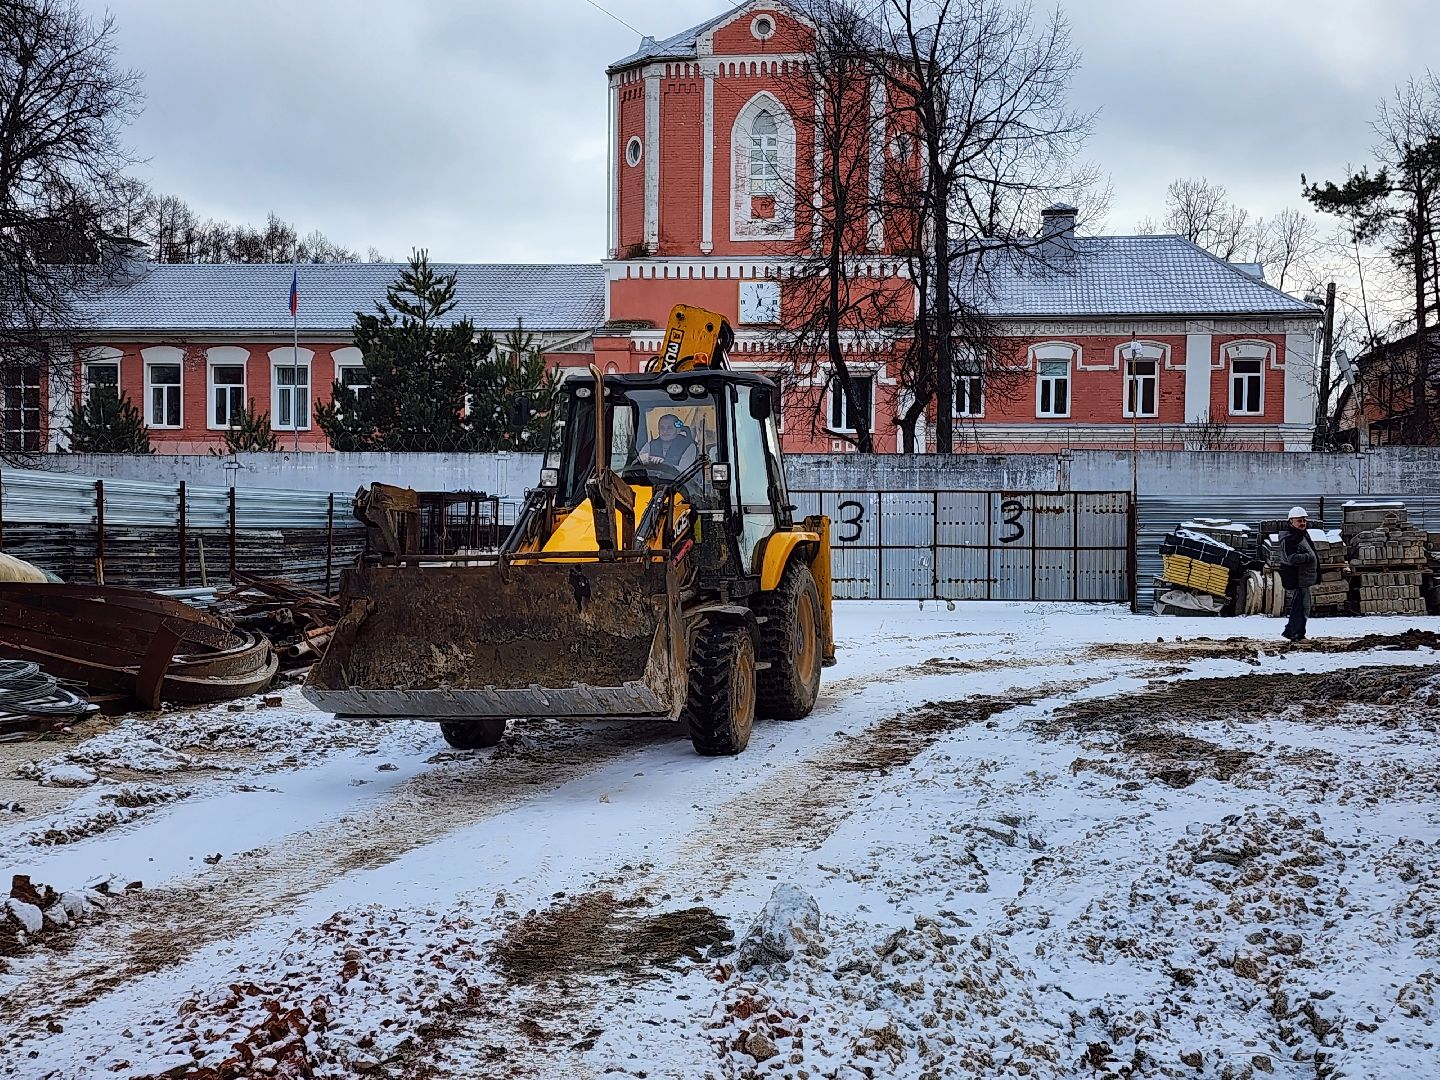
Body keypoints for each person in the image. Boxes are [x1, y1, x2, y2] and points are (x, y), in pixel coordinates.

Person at [1278, 505, 1318, 642]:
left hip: (1302, 578)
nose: (1302, 523)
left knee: (1300, 606)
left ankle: (1290, 632)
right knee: (1301, 608)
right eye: (1299, 521)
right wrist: (1309, 557)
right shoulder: (1290, 538)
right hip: (1296, 578)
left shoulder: (1301, 535)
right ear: (1291, 522)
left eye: (1304, 520)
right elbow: (1292, 558)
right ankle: (1297, 635)